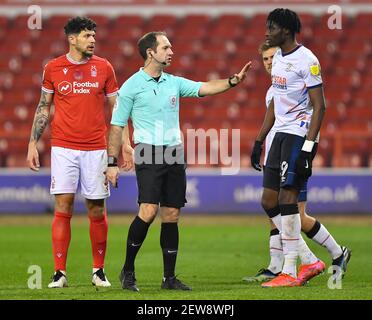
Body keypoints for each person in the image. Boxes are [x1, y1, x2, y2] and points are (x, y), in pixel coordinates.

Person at [105, 31, 251, 292]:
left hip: (174, 153)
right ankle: (127, 271)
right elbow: (116, 126)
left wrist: (232, 81)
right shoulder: (130, 86)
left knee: (171, 214)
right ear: (151, 52)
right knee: (148, 211)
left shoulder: (174, 82)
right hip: (148, 151)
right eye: (166, 47)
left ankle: (168, 278)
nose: (171, 51)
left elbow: (203, 87)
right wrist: (112, 162)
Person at [26, 16, 132, 288]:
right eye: (87, 36)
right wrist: (32, 143)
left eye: (93, 36)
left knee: (96, 209)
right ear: (72, 39)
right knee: (63, 206)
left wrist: (124, 146)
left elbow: (117, 111)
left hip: (96, 149)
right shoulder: (53, 68)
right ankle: (59, 272)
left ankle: (98, 270)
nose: (93, 40)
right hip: (63, 148)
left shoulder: (104, 67)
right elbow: (43, 107)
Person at [250, 9, 351, 287]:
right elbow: (275, 103)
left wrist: (308, 146)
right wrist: (260, 140)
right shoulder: (279, 58)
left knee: (288, 200)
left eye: (272, 27)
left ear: (287, 30)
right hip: (279, 136)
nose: (267, 31)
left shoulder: (308, 61)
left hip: (298, 136)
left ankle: (290, 271)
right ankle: (315, 259)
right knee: (269, 201)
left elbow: (320, 106)